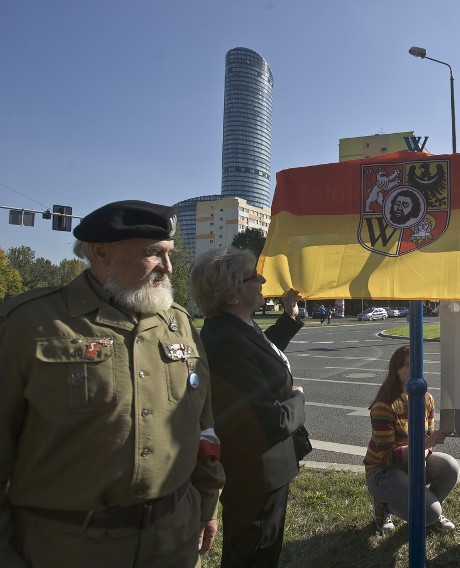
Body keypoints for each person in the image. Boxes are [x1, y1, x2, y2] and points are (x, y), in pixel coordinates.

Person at [0, 200, 225, 567]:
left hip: (173, 539)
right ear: (101, 252)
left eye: (169, 254)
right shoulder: (29, 324)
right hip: (68, 548)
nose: (168, 268)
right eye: (154, 254)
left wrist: (207, 504)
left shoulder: (179, 323)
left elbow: (204, 427)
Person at [189, 246, 306, 567]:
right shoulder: (227, 340)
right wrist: (298, 399)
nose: (263, 278)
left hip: (262, 473)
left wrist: (288, 317)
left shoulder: (236, 327)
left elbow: (260, 353)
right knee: (255, 556)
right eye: (253, 275)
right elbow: (270, 421)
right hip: (255, 476)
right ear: (230, 294)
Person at [364, 345, 459, 535]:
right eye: (408, 365)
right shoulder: (384, 404)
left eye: (417, 364)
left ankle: (425, 511)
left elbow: (427, 437)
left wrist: (424, 452)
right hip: (383, 471)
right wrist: (423, 447)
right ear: (396, 370)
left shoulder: (427, 398)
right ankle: (384, 505)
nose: (414, 369)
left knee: (450, 467)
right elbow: (386, 457)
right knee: (430, 514)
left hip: (412, 461)